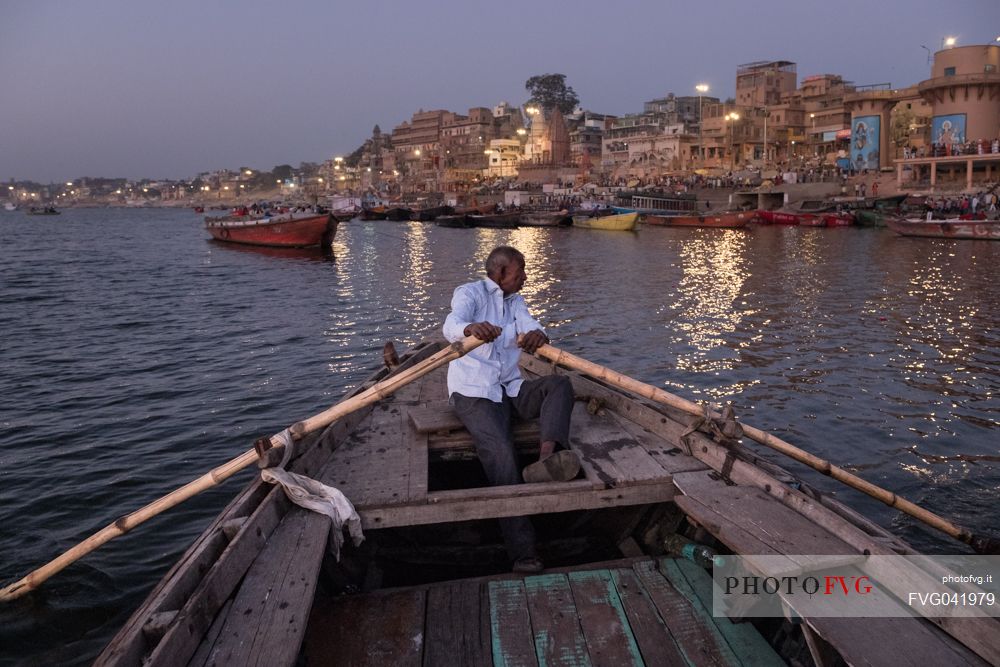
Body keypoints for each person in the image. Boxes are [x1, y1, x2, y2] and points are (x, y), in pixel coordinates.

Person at [443, 246, 579, 573]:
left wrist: (538, 333)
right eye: (520, 273)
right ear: (501, 273)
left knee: (559, 386)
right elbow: (452, 324)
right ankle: (522, 551)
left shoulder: (515, 301)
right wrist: (470, 329)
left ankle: (547, 457)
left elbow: (530, 324)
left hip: (510, 388)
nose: (525, 278)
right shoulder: (470, 293)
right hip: (474, 392)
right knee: (502, 452)